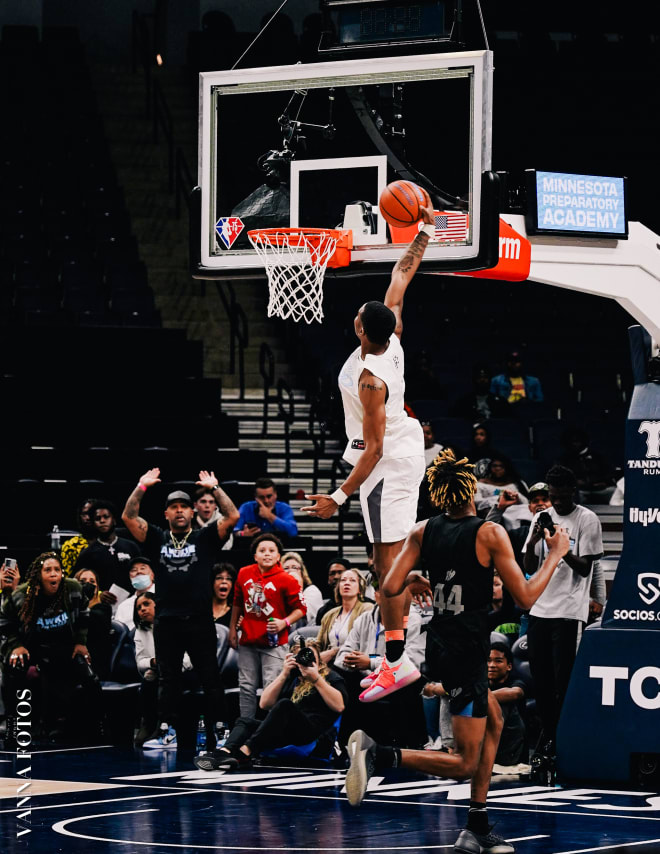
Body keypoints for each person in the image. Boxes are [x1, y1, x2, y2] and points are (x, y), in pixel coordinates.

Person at [343, 449, 569, 854]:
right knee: (465, 761)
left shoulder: (422, 530)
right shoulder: (488, 532)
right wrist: (555, 554)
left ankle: (477, 825)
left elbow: (387, 588)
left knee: (495, 721)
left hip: (441, 647)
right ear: (470, 490)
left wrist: (413, 576)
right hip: (467, 654)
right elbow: (527, 597)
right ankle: (381, 755)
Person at [304, 209, 434, 703]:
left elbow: (373, 447)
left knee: (385, 571)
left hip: (387, 461)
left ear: (361, 330)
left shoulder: (370, 380)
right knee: (389, 566)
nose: (358, 314)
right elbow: (401, 274)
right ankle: (412, 574)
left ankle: (397, 663)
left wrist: (337, 498)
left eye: (359, 314)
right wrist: (422, 231)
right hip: (395, 453)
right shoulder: (391, 336)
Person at [121, 467, 239, 750]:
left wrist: (215, 488)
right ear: (166, 514)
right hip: (167, 620)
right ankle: (166, 732)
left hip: (199, 619)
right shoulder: (157, 537)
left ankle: (221, 732)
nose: (179, 511)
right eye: (173, 507)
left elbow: (232, 516)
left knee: (211, 678)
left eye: (184, 507)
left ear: (192, 510)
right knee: (168, 679)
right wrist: (141, 485)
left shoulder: (205, 537)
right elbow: (128, 516)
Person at [522, 464, 603, 764]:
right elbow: (529, 566)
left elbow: (585, 569)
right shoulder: (542, 518)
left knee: (564, 682)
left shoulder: (587, 519)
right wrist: (533, 538)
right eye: (551, 496)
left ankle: (564, 738)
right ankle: (548, 738)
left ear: (572, 491)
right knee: (541, 681)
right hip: (540, 607)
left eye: (560, 496)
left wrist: (560, 547)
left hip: (570, 611)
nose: (555, 502)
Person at [194, 638, 346, 772]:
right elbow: (264, 704)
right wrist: (284, 673)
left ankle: (246, 752)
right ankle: (225, 753)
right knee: (245, 721)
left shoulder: (329, 677)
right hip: (288, 733)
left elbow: (339, 706)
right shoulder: (293, 678)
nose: (306, 660)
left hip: (312, 735)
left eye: (310, 656)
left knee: (285, 705)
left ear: (319, 660)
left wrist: (315, 678)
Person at [0, 552, 102, 743]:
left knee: (90, 679)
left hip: (63, 645)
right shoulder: (23, 594)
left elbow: (84, 612)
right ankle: (14, 730)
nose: (54, 574)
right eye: (48, 570)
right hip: (30, 646)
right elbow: (4, 620)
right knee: (14, 668)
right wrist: (16, 645)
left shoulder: (72, 588)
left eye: (57, 569)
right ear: (39, 575)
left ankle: (94, 730)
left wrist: (81, 641)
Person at [335, 578, 425, 747]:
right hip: (364, 681)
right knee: (337, 675)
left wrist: (371, 662)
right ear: (376, 596)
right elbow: (341, 657)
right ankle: (343, 743)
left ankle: (405, 744)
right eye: (386, 593)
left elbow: (413, 662)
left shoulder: (412, 619)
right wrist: (352, 661)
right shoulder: (363, 619)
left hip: (396, 681)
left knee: (409, 682)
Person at [229, 534, 306, 717]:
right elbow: (237, 603)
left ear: (279, 556)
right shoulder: (244, 573)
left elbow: (301, 609)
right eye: (262, 551)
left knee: (271, 688)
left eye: (272, 551)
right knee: (246, 687)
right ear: (255, 556)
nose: (267, 554)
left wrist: (284, 622)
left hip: (274, 643)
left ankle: (269, 728)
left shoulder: (287, 579)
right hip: (248, 640)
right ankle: (244, 727)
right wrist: (233, 628)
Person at [134, 591, 193, 748]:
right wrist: (154, 662)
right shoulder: (140, 631)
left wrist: (169, 665)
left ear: (157, 605)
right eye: (139, 607)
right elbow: (140, 662)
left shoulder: (176, 624)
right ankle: (148, 723)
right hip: (157, 670)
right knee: (150, 675)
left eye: (146, 604)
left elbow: (190, 658)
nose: (142, 609)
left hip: (184, 671)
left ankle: (165, 727)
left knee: (166, 676)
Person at [74, 499, 141, 602]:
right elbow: (77, 584)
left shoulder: (131, 547)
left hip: (132, 604)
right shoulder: (87, 554)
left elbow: (144, 574)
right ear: (93, 523)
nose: (102, 521)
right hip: (101, 608)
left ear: (114, 520)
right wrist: (99, 595)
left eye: (106, 517)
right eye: (97, 518)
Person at [317, 568, 372, 665]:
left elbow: (363, 643)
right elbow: (319, 643)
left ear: (360, 589)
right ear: (338, 587)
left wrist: (333, 652)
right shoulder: (329, 615)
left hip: (353, 664)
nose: (347, 583)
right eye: (343, 580)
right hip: (328, 664)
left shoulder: (367, 609)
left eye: (352, 580)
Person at [487, 643, 527, 771]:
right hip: (486, 746)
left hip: (510, 751)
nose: (492, 665)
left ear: (509, 666)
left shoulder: (517, 681)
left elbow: (515, 693)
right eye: (488, 661)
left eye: (498, 661)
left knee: (499, 701)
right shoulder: (481, 683)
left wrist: (479, 698)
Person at [557, 426, 617, 504]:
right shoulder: (564, 459)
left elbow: (610, 472)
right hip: (579, 491)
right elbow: (560, 476)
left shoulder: (598, 457)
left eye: (577, 441)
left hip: (601, 490)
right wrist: (575, 482)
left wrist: (604, 482)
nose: (574, 444)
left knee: (615, 492)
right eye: (572, 442)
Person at [74, 567, 113, 679]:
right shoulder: (69, 610)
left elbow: (90, 620)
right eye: (82, 581)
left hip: (95, 665)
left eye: (92, 581)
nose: (88, 584)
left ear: (97, 588)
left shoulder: (103, 609)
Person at [281, 551, 323, 625]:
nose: (290, 570)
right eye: (286, 568)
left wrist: (298, 587)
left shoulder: (312, 590)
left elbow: (306, 616)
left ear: (302, 572)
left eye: (294, 567)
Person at [114, 557, 156, 630]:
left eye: (143, 568)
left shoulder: (164, 597)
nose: (138, 572)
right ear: (130, 578)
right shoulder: (123, 606)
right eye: (134, 570)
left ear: (152, 575)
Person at [60, 498, 97, 577]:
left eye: (91, 513)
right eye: (84, 514)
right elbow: (67, 579)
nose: (88, 517)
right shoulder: (70, 546)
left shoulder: (109, 543)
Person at [315, 557, 352, 625]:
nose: (336, 577)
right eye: (332, 573)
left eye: (340, 572)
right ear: (328, 580)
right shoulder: (323, 611)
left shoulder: (365, 605)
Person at [212, 562, 235, 627]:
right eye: (219, 578)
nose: (224, 581)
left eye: (228, 579)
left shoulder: (235, 614)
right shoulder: (201, 609)